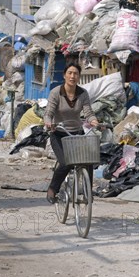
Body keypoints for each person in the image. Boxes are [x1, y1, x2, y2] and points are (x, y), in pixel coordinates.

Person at [44, 63, 99, 204]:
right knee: (65, 163)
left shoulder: (82, 94)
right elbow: (49, 112)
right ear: (64, 75)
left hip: (76, 134)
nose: (72, 76)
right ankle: (52, 189)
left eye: (75, 73)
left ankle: (87, 192)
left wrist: (93, 121)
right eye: (70, 73)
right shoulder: (56, 92)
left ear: (79, 76)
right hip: (59, 134)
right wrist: (49, 122)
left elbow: (88, 112)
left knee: (88, 161)